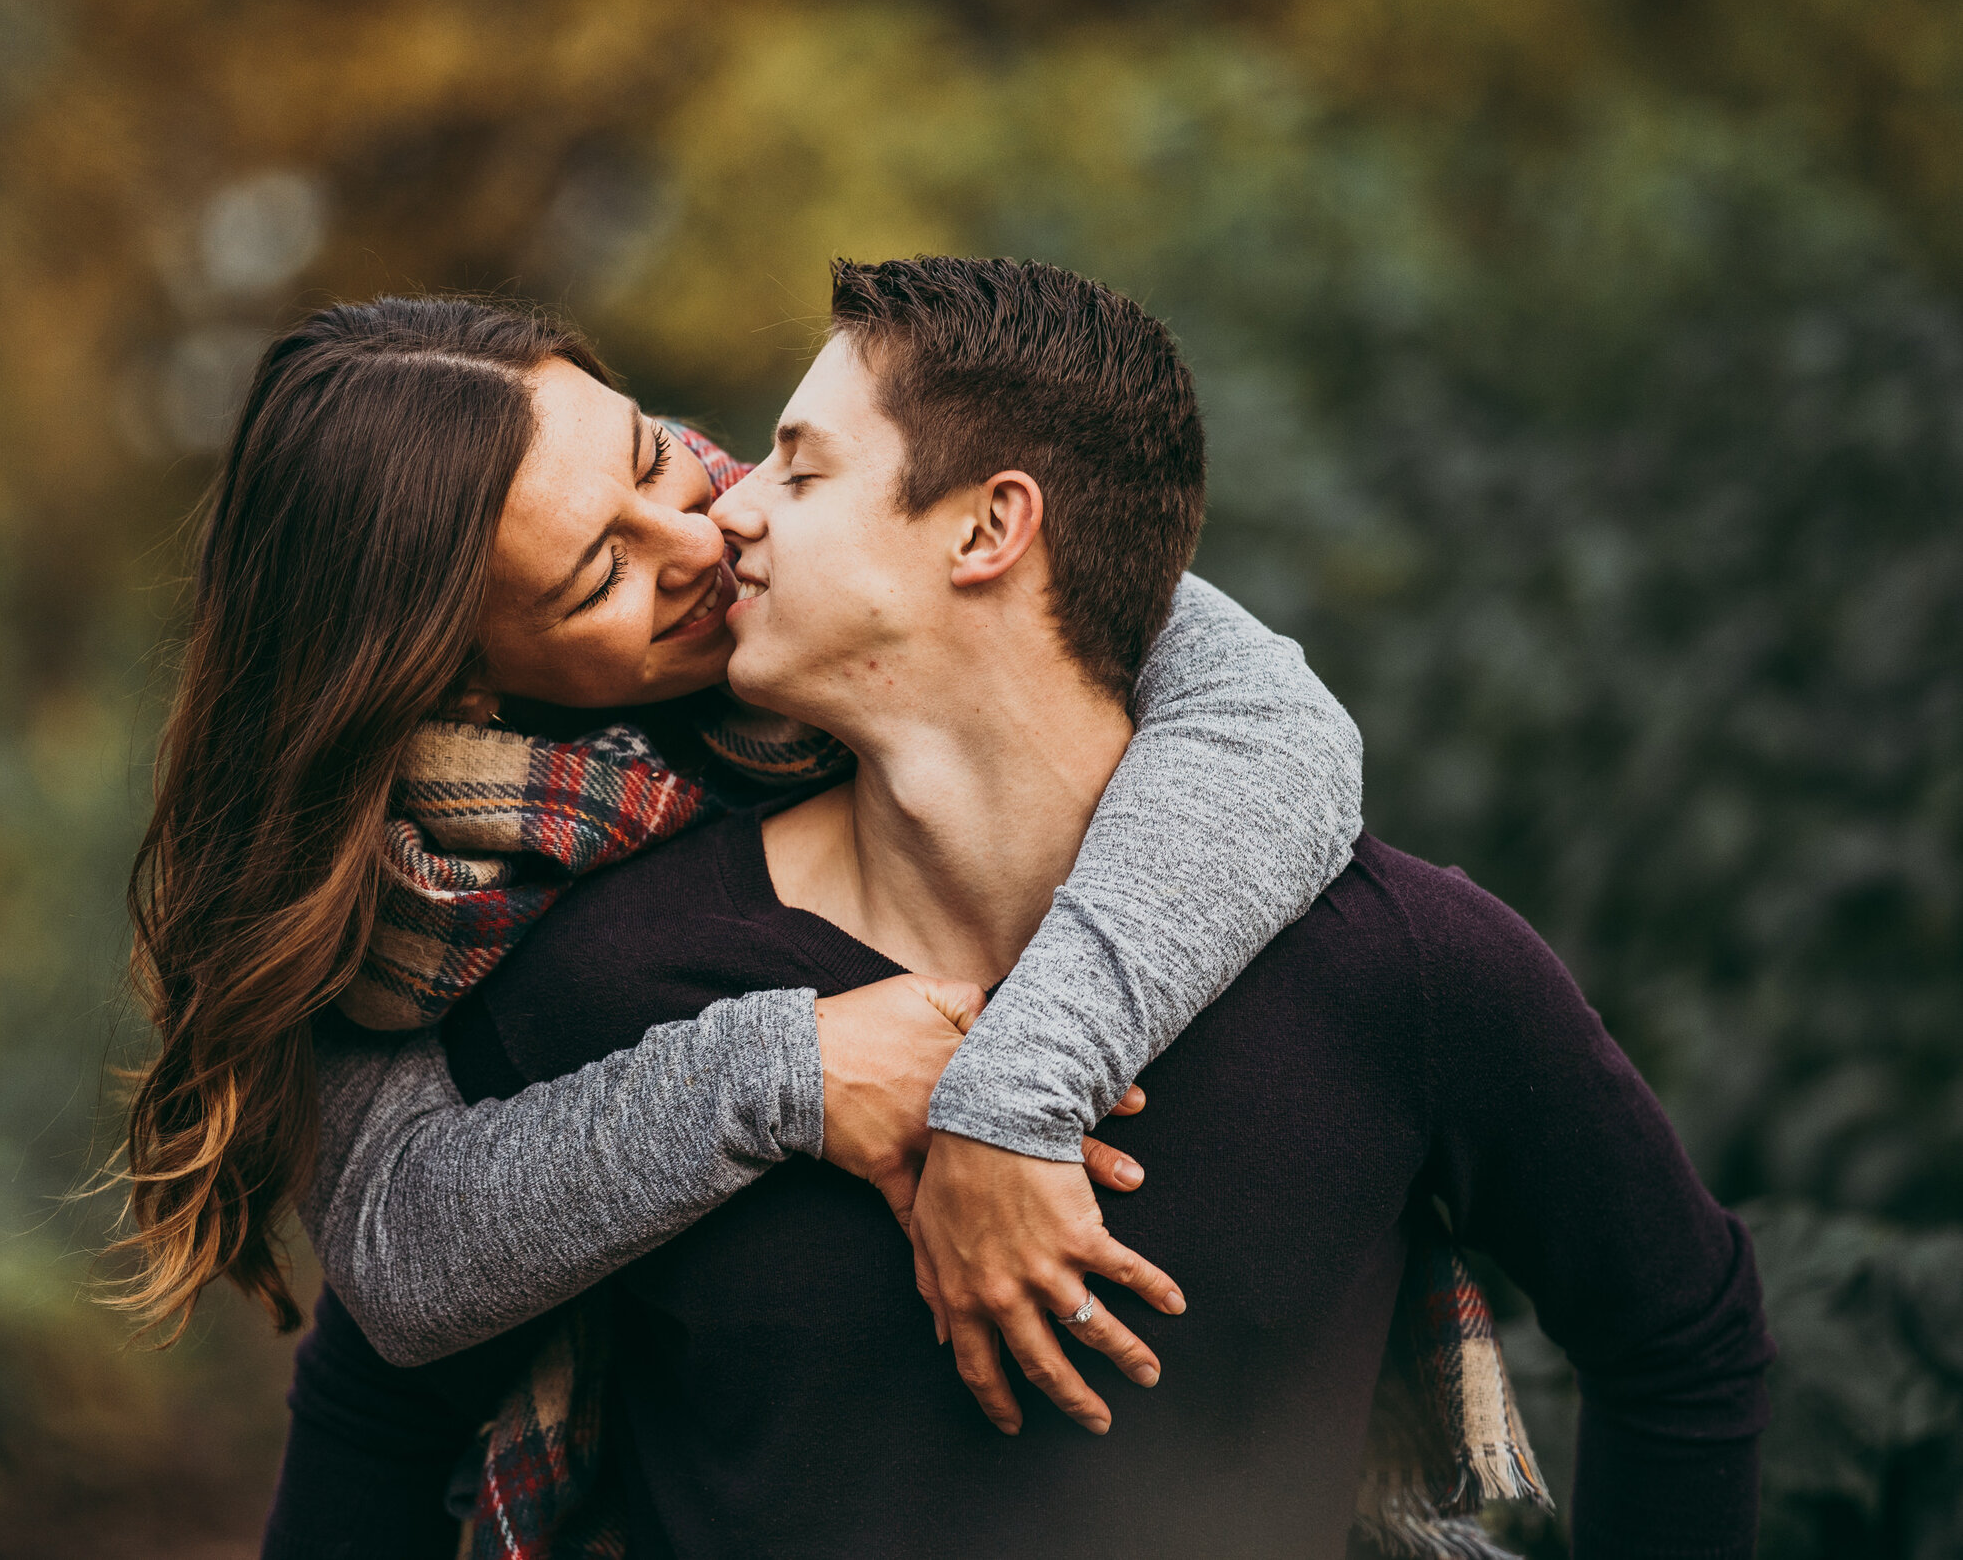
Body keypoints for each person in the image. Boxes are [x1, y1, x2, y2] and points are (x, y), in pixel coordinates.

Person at [294, 258, 1773, 1559]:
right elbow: (382, 1388)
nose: (722, 511)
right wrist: (779, 1073)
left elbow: (1685, 1339)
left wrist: (1012, 1092)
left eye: (792, 471)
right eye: (603, 569)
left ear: (991, 529)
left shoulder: (1397, 966)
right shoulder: (582, 971)